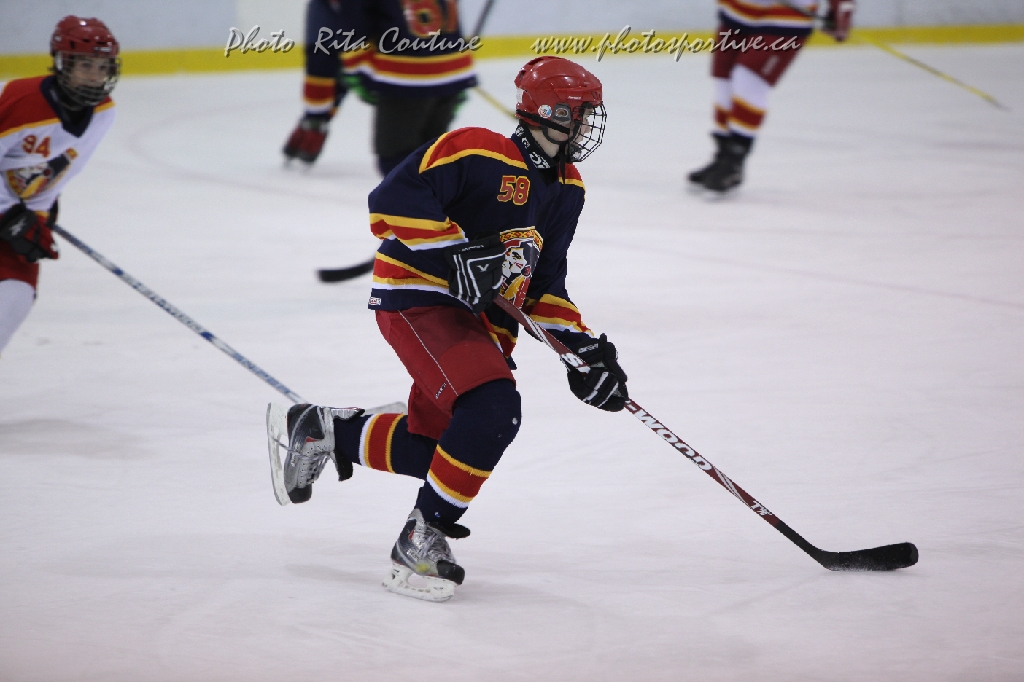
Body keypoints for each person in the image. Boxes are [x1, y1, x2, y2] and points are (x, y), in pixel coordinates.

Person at [268, 56, 628, 602]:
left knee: (439, 447)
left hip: (479, 320)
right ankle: (421, 538)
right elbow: (390, 202)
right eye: (581, 115)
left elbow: (542, 288)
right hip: (420, 296)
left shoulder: (567, 189)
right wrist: (453, 251)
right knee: (492, 410)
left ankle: (324, 431)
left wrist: (582, 351)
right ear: (552, 113)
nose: (586, 127)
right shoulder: (478, 149)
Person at [0, 16, 118, 353]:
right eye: (85, 65)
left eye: (102, 66)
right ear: (63, 63)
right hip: (7, 212)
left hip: (11, 217)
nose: (94, 75)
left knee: (16, 296)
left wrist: (40, 214)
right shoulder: (18, 99)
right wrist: (9, 212)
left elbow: (61, 171)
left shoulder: (103, 113)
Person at [282, 0, 477, 175]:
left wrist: (358, 72)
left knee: (395, 160)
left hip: (406, 79)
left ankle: (315, 120)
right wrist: (460, 78)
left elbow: (353, 29)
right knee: (428, 156)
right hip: (450, 75)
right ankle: (316, 119)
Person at [688, 0, 854, 193]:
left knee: (749, 79)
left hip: (787, 14)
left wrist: (842, 7)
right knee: (724, 81)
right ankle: (723, 156)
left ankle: (734, 159)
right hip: (737, 9)